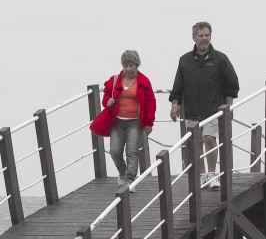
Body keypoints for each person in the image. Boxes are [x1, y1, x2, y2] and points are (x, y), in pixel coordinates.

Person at [169, 21, 239, 184]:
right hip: (192, 110)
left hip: (213, 109)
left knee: (209, 138)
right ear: (194, 38)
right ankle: (201, 176)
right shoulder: (184, 60)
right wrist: (174, 105)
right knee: (195, 143)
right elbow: (177, 87)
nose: (204, 39)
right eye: (200, 36)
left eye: (207, 35)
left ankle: (212, 174)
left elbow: (232, 84)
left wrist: (229, 106)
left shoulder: (220, 59)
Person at [101, 50, 156, 190]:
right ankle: (123, 173)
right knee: (115, 150)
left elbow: (151, 102)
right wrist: (108, 101)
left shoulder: (143, 81)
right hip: (117, 121)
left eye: (132, 65)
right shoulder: (114, 80)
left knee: (132, 151)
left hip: (135, 122)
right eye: (126, 65)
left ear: (137, 65)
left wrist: (149, 123)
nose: (129, 69)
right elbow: (106, 97)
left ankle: (130, 181)